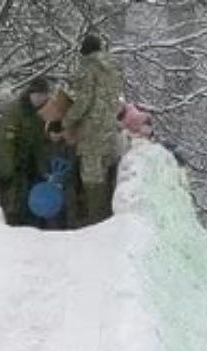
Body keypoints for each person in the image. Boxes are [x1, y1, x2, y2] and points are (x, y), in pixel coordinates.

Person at [63, 34, 122, 227]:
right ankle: (109, 217)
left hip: (92, 131)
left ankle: (96, 223)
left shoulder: (89, 68)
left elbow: (84, 101)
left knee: (91, 176)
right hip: (109, 129)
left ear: (85, 52)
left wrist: (67, 120)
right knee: (106, 173)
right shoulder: (113, 68)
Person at [0, 75, 51, 226]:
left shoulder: (41, 113)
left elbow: (41, 143)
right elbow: (4, 143)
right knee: (15, 202)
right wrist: (6, 170)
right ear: (30, 94)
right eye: (37, 95)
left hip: (31, 164)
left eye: (43, 96)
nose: (40, 99)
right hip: (15, 164)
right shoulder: (15, 112)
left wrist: (44, 169)